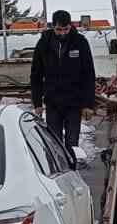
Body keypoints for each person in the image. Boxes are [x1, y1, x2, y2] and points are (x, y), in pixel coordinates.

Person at [31, 10, 96, 148]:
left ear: (70, 26)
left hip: (73, 102)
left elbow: (89, 75)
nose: (62, 33)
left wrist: (88, 104)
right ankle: (57, 168)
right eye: (58, 30)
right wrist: (37, 102)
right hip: (52, 101)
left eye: (65, 29)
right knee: (54, 143)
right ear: (53, 27)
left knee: (72, 143)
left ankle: (72, 166)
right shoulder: (44, 43)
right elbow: (36, 75)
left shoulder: (80, 42)